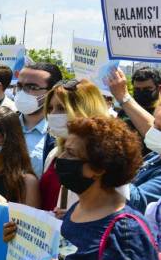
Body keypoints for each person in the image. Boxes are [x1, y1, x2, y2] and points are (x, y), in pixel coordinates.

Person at [4, 117, 158, 260]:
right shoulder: (78, 209)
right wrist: (21, 241)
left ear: (99, 169)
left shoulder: (126, 230)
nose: (61, 158)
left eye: (71, 153)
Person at [40, 78, 109, 213]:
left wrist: (78, 216)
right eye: (50, 108)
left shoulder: (104, 160)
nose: (52, 115)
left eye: (61, 108)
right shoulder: (54, 154)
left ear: (85, 109)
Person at [107, 68, 161, 213]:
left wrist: (107, 167)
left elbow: (137, 200)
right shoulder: (152, 159)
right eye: (137, 89)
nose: (142, 93)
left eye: (147, 89)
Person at [15, 62, 63, 178]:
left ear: (51, 91)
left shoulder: (61, 135)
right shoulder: (3, 125)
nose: (23, 92)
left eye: (33, 87)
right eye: (20, 86)